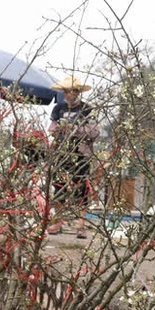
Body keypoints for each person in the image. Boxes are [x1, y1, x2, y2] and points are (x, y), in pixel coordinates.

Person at [48, 75, 99, 239]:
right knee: (59, 186)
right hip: (62, 153)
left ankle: (81, 224)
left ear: (78, 92)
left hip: (81, 153)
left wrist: (74, 129)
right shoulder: (58, 108)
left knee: (82, 188)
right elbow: (52, 128)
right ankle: (58, 220)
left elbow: (93, 132)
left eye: (73, 91)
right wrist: (58, 129)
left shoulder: (87, 109)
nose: (70, 94)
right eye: (67, 91)